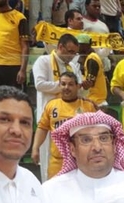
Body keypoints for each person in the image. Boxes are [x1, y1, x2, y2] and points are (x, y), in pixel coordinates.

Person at [31, 32, 82, 180]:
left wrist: (80, 86)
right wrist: (65, 86)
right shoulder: (44, 61)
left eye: (74, 53)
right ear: (60, 47)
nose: (72, 56)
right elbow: (39, 84)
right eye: (70, 51)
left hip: (70, 118)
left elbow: (78, 87)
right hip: (49, 118)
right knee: (48, 158)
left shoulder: (72, 66)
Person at [31, 71, 96, 179]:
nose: (66, 87)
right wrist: (35, 148)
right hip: (58, 162)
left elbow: (96, 131)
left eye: (70, 84)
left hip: (81, 161)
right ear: (59, 86)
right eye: (63, 84)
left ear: (77, 86)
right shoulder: (51, 105)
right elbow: (42, 128)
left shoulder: (88, 106)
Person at [0, 0, 28, 88]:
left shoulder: (20, 17)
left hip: (14, 66)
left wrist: (23, 70)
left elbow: (25, 46)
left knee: (13, 96)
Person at [77, 33, 108, 108]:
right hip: (94, 99)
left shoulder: (92, 59)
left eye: (78, 44)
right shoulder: (90, 57)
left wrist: (76, 84)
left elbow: (90, 83)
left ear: (86, 45)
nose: (77, 47)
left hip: (96, 101)